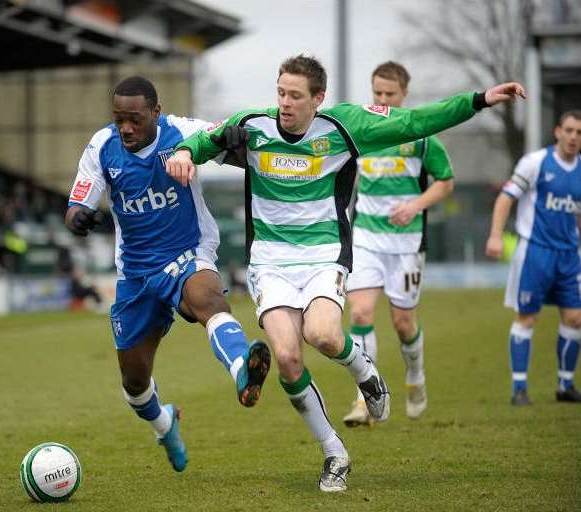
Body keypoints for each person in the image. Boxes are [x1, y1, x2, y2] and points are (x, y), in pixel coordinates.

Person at [166, 54, 525, 492]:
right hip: (271, 262)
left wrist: (480, 99)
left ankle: (364, 371)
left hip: (323, 256)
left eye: (296, 96)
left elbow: (415, 123)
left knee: (324, 336)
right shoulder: (252, 126)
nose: (285, 103)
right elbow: (202, 142)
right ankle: (334, 453)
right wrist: (185, 152)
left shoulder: (343, 127)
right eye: (281, 93)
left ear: (319, 99)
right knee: (287, 356)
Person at [64, 76, 272, 473]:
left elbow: (233, 147)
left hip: (187, 252)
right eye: (119, 118)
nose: (126, 127)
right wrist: (78, 218)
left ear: (156, 113)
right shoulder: (102, 146)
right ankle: (165, 424)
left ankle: (244, 367)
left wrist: (235, 140)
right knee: (135, 383)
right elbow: (76, 202)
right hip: (136, 273)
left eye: (135, 119)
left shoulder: (184, 133)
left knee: (207, 300)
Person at [342, 61, 455, 427]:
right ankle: (364, 397)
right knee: (359, 314)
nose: (383, 100)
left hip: (406, 245)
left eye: (390, 94)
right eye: (377, 93)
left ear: (404, 94)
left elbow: (446, 181)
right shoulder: (362, 133)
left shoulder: (422, 136)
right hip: (366, 238)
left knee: (404, 323)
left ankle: (416, 377)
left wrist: (416, 205)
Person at [485, 110, 581, 406]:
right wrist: (496, 235)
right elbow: (505, 198)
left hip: (570, 254)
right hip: (535, 252)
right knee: (527, 317)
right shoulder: (535, 163)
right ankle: (519, 389)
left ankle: (565, 385)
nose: (574, 137)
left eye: (579, 133)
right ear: (557, 132)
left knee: (575, 318)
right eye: (569, 130)